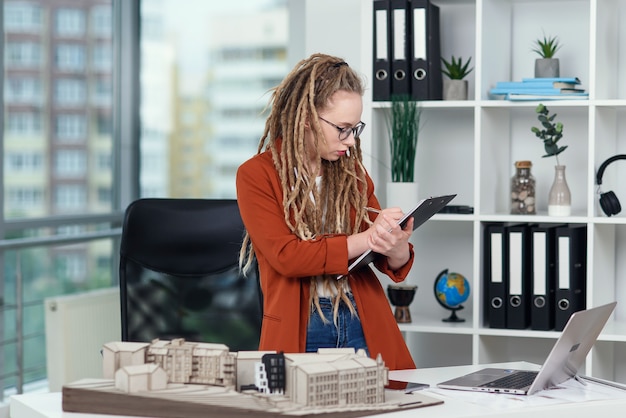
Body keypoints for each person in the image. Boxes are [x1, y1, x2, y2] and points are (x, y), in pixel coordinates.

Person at [237, 53, 415, 370]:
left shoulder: (352, 174)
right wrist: (368, 238)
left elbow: (390, 262)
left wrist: (396, 243)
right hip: (303, 323)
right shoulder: (256, 175)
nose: (350, 140)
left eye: (355, 129)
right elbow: (288, 257)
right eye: (342, 129)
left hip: (363, 318)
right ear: (306, 118)